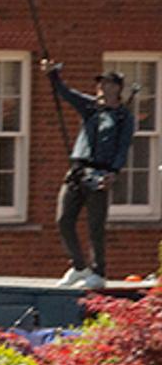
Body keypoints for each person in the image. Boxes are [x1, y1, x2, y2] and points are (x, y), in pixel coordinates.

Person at [44, 56, 135, 284]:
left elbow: (123, 147)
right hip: (77, 170)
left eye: (108, 84)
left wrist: (113, 172)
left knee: (95, 226)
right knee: (64, 220)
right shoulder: (90, 107)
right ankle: (79, 265)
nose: (102, 88)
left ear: (117, 88)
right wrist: (52, 74)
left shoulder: (124, 117)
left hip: (100, 173)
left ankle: (98, 272)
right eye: (100, 83)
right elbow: (66, 93)